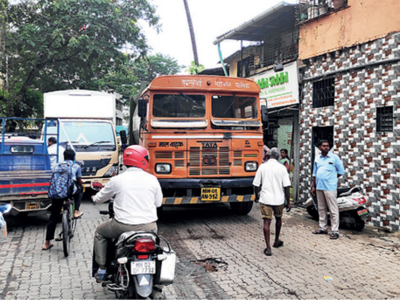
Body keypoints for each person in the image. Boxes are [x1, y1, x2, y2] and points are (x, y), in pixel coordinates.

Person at [91, 145, 163, 282]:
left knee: (100, 233)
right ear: (143, 160)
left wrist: (94, 198)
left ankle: (102, 269)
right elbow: (158, 203)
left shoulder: (117, 180)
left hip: (122, 226)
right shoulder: (152, 179)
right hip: (149, 227)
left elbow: (100, 198)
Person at [42, 149, 84, 250]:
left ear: (64, 157)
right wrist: (82, 182)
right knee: (80, 188)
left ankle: (46, 243)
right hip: (68, 193)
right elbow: (79, 180)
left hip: (56, 193)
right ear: (73, 157)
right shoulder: (76, 166)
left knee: (53, 217)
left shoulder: (57, 166)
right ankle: (76, 211)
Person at [253, 147, 291, 257]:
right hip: (279, 199)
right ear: (278, 156)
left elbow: (256, 184)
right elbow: (287, 186)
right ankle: (276, 240)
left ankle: (268, 248)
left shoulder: (262, 167)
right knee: (278, 218)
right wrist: (288, 202)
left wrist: (256, 196)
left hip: (265, 198)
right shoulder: (282, 168)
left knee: (266, 222)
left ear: (269, 155)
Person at [311, 140, 345, 240]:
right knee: (321, 208)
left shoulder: (334, 158)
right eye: (324, 146)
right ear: (320, 147)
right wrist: (313, 186)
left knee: (333, 209)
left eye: (327, 146)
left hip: (330, 187)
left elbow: (341, 171)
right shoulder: (317, 158)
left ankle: (335, 231)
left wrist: (332, 178)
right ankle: (323, 228)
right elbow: (314, 173)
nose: (326, 147)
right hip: (319, 186)